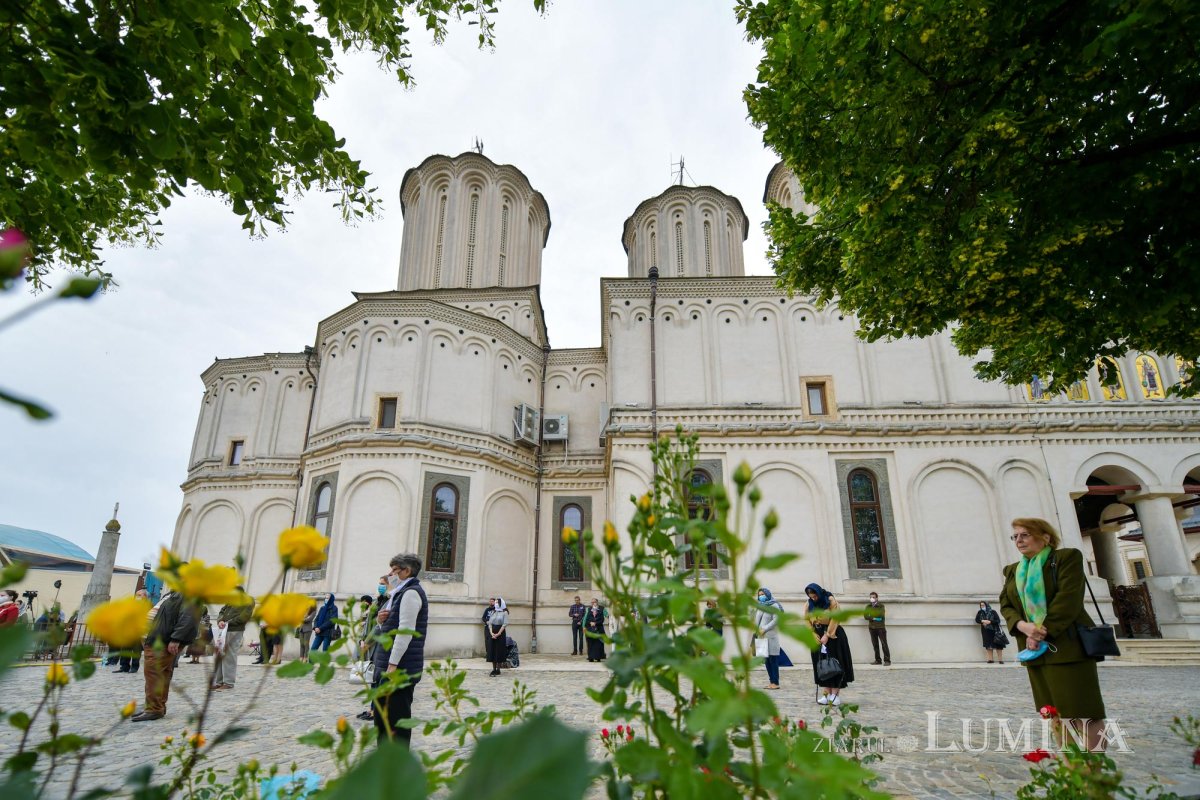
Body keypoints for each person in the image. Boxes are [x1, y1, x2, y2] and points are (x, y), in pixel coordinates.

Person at [1000, 517, 1108, 751]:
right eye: (1015, 536)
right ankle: (1070, 775)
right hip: (1034, 654)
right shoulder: (1013, 571)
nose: (1018, 540)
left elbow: (1068, 601)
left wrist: (1040, 632)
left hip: (1068, 648)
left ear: (1045, 537)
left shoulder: (1065, 559)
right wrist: (1023, 626)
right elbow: (1006, 605)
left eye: (1024, 535)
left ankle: (1097, 778)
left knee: (1084, 714)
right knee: (1053, 714)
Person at [372, 553, 429, 747]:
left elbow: (405, 632)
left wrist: (392, 665)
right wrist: (380, 622)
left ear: (407, 571)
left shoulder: (411, 593)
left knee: (396, 720)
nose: (390, 574)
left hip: (399, 669)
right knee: (382, 718)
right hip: (388, 665)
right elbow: (389, 628)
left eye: (395, 570)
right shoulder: (398, 594)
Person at [131, 589, 199, 722]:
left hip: (161, 641)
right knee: (160, 675)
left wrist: (176, 639)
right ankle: (157, 707)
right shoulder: (172, 594)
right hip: (156, 640)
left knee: (153, 674)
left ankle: (154, 709)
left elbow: (188, 618)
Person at [805, 582, 854, 706]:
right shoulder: (809, 603)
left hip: (833, 634)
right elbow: (806, 619)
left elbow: (835, 617)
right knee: (821, 665)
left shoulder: (830, 600)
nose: (813, 598)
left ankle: (835, 695)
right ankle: (826, 694)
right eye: (811, 596)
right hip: (817, 634)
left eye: (815, 596)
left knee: (834, 664)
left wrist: (827, 634)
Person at [213, 589, 255, 689]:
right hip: (223, 630)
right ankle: (219, 682)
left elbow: (244, 616)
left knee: (229, 655)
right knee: (220, 654)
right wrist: (220, 620)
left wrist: (228, 622)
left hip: (235, 631)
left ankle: (228, 682)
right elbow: (222, 611)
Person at [754, 587, 783, 689]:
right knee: (766, 660)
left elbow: (776, 620)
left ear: (768, 594)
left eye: (763, 594)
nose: (761, 596)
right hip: (761, 637)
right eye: (759, 595)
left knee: (773, 660)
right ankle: (771, 682)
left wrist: (764, 628)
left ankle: (775, 682)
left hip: (770, 636)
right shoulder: (760, 606)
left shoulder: (774, 605)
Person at [864, 592, 891, 666]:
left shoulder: (881, 606)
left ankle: (887, 660)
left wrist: (871, 616)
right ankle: (878, 660)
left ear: (877, 598)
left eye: (873, 597)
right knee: (875, 644)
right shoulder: (868, 606)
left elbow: (881, 616)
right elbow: (866, 616)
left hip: (880, 628)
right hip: (871, 628)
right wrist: (874, 617)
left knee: (884, 644)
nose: (872, 598)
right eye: (871, 597)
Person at [485, 598, 509, 676]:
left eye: (496, 603)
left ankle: (498, 669)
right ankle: (493, 669)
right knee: (492, 650)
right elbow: (490, 623)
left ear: (501, 604)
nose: (495, 604)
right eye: (494, 603)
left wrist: (498, 634)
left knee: (499, 651)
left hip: (500, 634)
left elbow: (504, 624)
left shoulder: (504, 613)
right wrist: (492, 633)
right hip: (492, 634)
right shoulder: (493, 612)